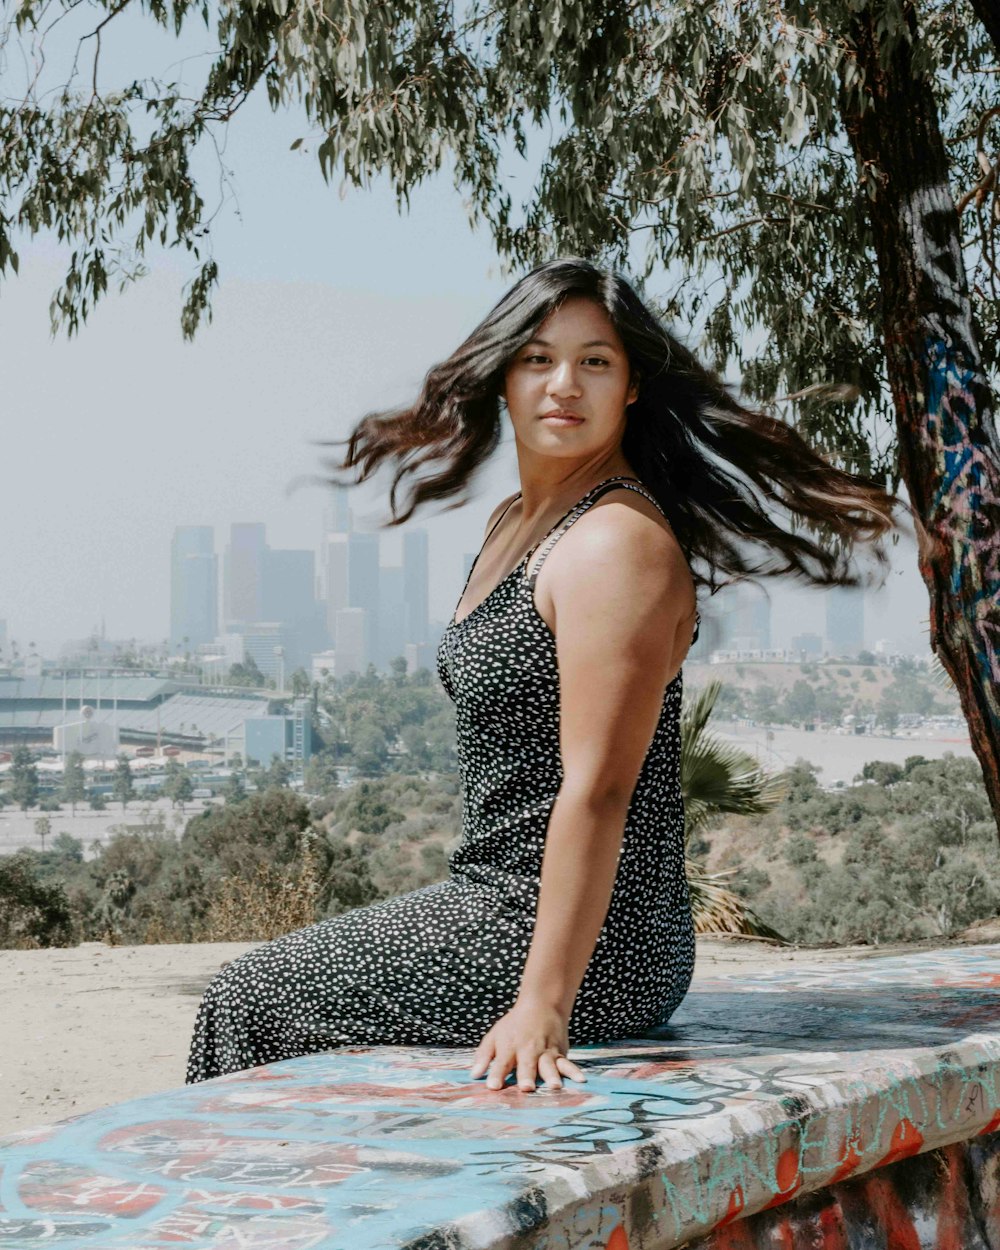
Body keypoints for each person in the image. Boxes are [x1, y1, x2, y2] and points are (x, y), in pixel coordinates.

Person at [186, 256, 904, 1093]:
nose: (563, 383)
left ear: (632, 385)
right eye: (537, 358)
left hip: (595, 942)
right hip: (497, 901)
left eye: (595, 361)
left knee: (249, 998)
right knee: (267, 998)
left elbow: (597, 789)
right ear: (503, 377)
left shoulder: (613, 544)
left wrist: (543, 1004)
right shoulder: (518, 524)